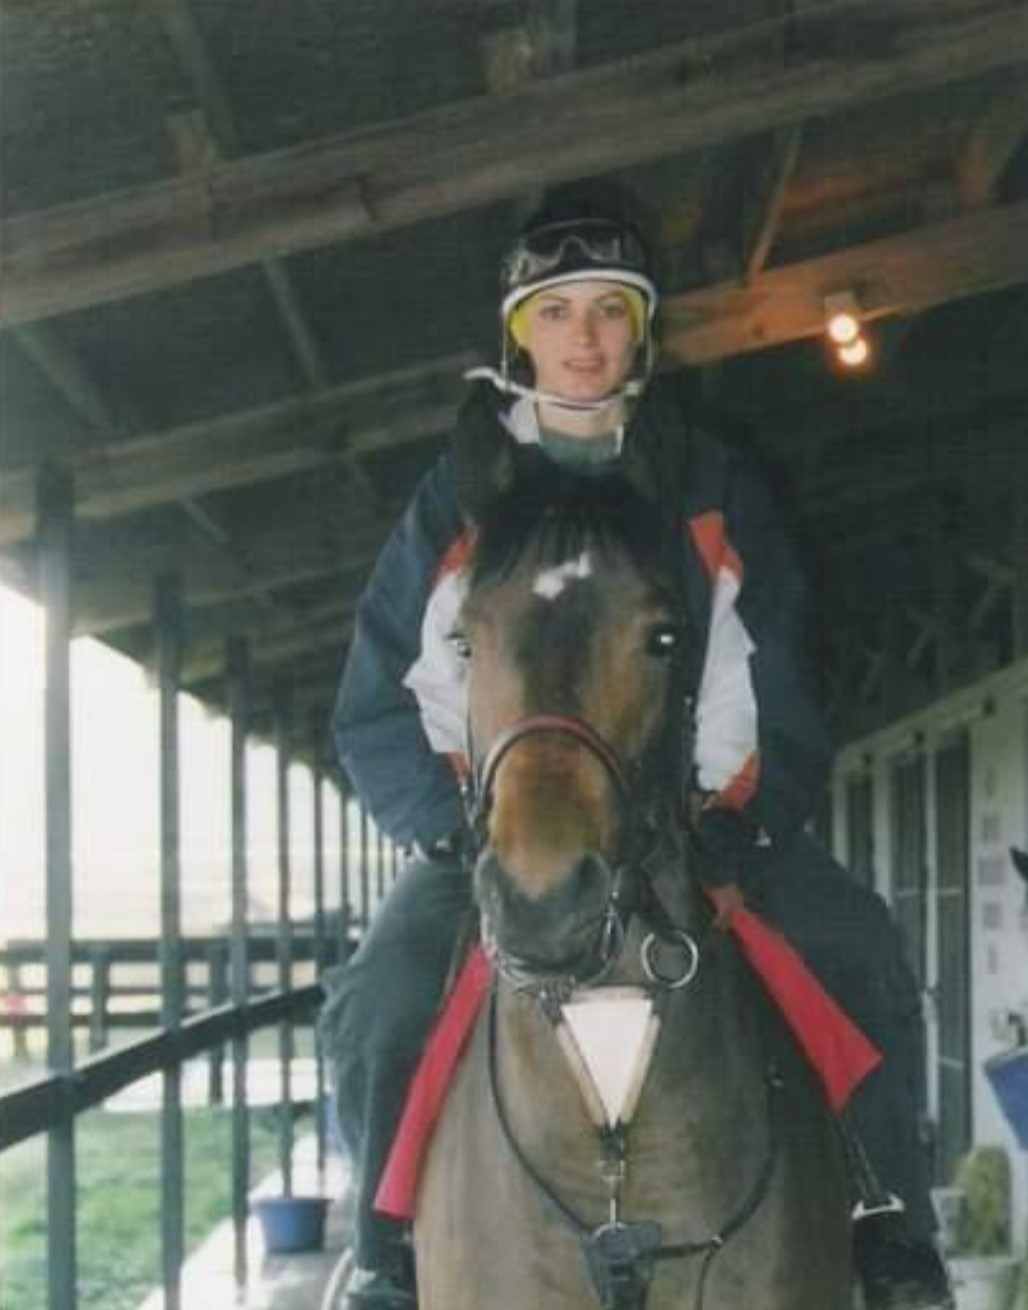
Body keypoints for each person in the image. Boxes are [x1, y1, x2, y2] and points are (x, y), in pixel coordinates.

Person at [319, 183, 954, 1310]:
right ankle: (383, 1249)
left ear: (638, 331)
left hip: (694, 817)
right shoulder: (449, 506)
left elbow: (771, 677)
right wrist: (445, 820)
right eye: (556, 315)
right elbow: (380, 697)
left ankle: (890, 1228)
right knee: (378, 994)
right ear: (520, 336)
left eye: (608, 311)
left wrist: (735, 820)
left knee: (853, 941)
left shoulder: (709, 485)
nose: (584, 339)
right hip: (502, 823)